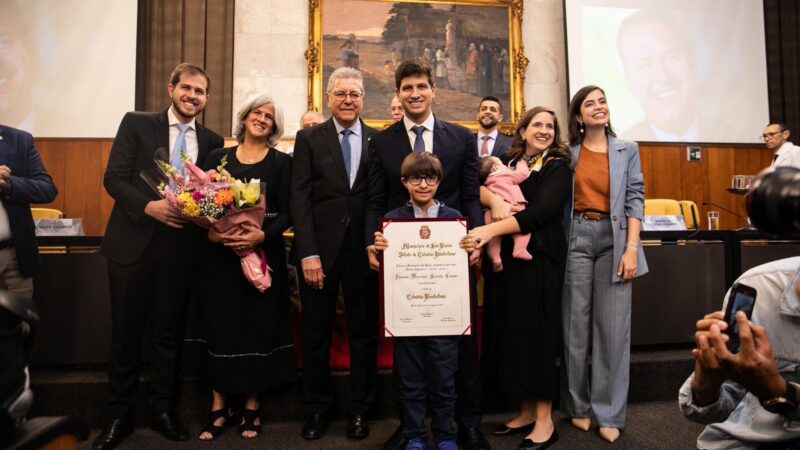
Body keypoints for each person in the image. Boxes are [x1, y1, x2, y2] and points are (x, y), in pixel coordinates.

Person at [96, 63, 224, 450]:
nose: (193, 96)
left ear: (206, 99)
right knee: (125, 336)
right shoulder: (136, 123)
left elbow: (212, 196)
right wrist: (149, 207)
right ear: (171, 89)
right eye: (186, 88)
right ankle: (119, 417)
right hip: (131, 244)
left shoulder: (213, 139)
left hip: (181, 249)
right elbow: (114, 178)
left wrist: (211, 213)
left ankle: (163, 411)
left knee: (169, 336)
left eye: (200, 91)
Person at [365, 58, 487, 450]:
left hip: (451, 260)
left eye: (421, 86)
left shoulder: (459, 138)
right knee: (409, 349)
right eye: (407, 88)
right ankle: (412, 427)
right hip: (404, 266)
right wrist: (372, 240)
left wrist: (476, 241)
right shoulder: (381, 142)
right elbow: (375, 200)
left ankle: (463, 424)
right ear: (398, 95)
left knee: (457, 346)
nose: (415, 94)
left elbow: (469, 195)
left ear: (433, 89)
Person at [189, 95, 295, 440]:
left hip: (263, 258)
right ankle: (218, 406)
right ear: (245, 116)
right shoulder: (216, 158)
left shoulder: (282, 163)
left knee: (256, 328)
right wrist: (215, 236)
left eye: (269, 116)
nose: (262, 119)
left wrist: (262, 235)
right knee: (221, 327)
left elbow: (288, 212)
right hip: (219, 261)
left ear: (275, 126)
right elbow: (198, 204)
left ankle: (251, 405)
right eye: (257, 112)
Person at [469, 106, 573, 450]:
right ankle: (526, 410)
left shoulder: (557, 166)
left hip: (539, 260)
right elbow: (475, 186)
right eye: (537, 124)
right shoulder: (507, 162)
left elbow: (542, 212)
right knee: (512, 334)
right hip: (508, 265)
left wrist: (490, 229)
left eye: (550, 126)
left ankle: (545, 421)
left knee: (539, 336)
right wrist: (493, 200)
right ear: (523, 130)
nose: (544, 130)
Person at [290, 67, 378, 441]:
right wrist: (307, 253)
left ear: (362, 99)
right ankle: (316, 411)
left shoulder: (379, 139)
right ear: (328, 98)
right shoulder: (309, 138)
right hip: (319, 254)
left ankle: (360, 412)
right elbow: (299, 198)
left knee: (363, 334)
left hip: (365, 252)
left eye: (354, 94)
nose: (347, 100)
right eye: (340, 94)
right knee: (316, 334)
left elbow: (379, 196)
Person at [371, 151, 476, 450]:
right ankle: (414, 435)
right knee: (410, 382)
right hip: (408, 317)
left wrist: (470, 247)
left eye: (430, 177)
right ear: (404, 182)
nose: (423, 184)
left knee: (445, 382)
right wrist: (378, 248)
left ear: (439, 181)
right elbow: (384, 265)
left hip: (444, 317)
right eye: (415, 178)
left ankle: (445, 436)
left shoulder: (454, 219)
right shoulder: (392, 221)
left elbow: (463, 264)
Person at [560, 85, 648, 443]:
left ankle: (609, 412)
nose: (598, 107)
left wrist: (631, 248)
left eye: (602, 101)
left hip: (615, 242)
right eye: (589, 103)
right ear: (579, 116)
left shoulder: (628, 149)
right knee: (574, 328)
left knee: (612, 330)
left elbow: (635, 198)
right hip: (575, 238)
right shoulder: (566, 153)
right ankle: (577, 407)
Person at [679, 257, 800, 448]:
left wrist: (780, 393)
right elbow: (708, 412)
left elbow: (777, 392)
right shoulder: (761, 285)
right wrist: (706, 384)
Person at [616, 10, 718, 142]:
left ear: (692, 63)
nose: (663, 77)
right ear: (630, 82)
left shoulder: (735, 137)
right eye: (645, 66)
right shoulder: (618, 153)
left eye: (672, 58)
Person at [0, 125, 57, 298]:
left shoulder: (19, 139)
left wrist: (10, 185)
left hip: (15, 259)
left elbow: (48, 189)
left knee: (21, 323)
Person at [477, 156, 531, 272]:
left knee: (493, 239)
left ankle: (495, 259)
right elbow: (522, 174)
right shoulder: (505, 174)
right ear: (496, 167)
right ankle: (519, 249)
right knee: (523, 231)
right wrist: (521, 163)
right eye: (502, 164)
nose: (506, 166)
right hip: (511, 208)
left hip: (490, 213)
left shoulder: (487, 182)